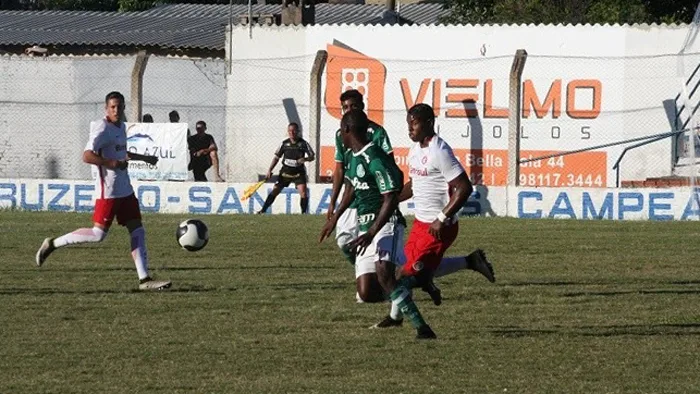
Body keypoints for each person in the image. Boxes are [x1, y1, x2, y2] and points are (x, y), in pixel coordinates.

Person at [373, 103, 496, 328]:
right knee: (415, 266)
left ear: (429, 123)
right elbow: (416, 184)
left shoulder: (440, 151)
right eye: (408, 123)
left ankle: (399, 314)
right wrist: (391, 199)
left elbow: (464, 187)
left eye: (415, 123)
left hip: (440, 226)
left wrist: (441, 217)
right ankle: (470, 261)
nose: (410, 128)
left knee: (405, 274)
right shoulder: (415, 150)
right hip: (421, 223)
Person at [35, 91, 172, 291]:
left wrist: (145, 158)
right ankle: (53, 243)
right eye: (113, 107)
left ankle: (145, 280)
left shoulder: (121, 126)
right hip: (108, 191)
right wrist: (110, 163)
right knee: (98, 234)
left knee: (138, 229)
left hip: (125, 189)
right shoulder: (102, 128)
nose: (117, 110)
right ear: (106, 108)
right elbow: (87, 155)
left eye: (120, 106)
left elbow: (121, 152)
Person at [321, 109, 436, 340]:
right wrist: (334, 218)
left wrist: (373, 231)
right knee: (367, 293)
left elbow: (391, 196)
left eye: (340, 131)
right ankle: (411, 283)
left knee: (384, 273)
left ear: (346, 130)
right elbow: (351, 188)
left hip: (387, 224)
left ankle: (423, 329)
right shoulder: (353, 156)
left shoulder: (375, 158)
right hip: (366, 228)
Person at [325, 89, 394, 302]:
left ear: (362, 106)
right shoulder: (341, 133)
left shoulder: (377, 133)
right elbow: (340, 170)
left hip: (371, 198)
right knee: (344, 241)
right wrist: (332, 202)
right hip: (351, 196)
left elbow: (387, 165)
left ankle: (380, 279)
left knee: (374, 243)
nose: (349, 110)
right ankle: (367, 274)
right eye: (345, 107)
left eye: (353, 106)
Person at [257, 122, 315, 214]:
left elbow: (312, 156)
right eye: (290, 131)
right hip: (285, 172)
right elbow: (276, 158)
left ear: (298, 131)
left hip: (298, 173)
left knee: (303, 192)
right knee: (275, 190)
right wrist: (269, 170)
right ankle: (263, 210)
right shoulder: (284, 144)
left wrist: (305, 159)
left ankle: (304, 213)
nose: (292, 133)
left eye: (294, 130)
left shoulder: (303, 144)